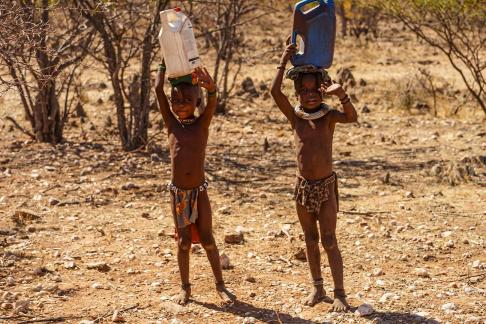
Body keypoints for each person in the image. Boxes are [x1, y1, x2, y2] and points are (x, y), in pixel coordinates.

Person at [270, 43, 358, 312]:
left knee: (329, 239)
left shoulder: (328, 116)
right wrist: (284, 59)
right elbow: (274, 92)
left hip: (326, 187)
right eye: (303, 90)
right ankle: (317, 287)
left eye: (314, 90)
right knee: (310, 238)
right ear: (297, 92)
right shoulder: (295, 117)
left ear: (322, 89)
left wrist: (341, 93)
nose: (309, 95)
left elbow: (352, 117)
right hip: (303, 187)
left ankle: (340, 293)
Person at [154, 62, 235, 305]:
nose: (180, 105)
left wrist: (211, 90)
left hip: (199, 193)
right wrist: (163, 64)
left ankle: (220, 285)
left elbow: (212, 101)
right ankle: (185, 288)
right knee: (184, 242)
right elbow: (158, 89)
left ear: (196, 102)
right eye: (176, 101)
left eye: (187, 100)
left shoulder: (202, 124)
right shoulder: (171, 125)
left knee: (208, 239)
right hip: (178, 195)